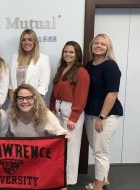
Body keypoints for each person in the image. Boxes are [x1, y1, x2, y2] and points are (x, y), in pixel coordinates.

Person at [84, 34, 123, 190]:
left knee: (100, 151)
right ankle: (103, 179)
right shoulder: (89, 65)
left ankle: (98, 186)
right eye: (96, 43)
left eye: (103, 44)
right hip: (90, 112)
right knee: (97, 149)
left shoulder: (110, 65)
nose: (99, 46)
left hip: (106, 114)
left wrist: (101, 117)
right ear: (92, 45)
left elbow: (113, 94)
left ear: (108, 47)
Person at [49, 41, 90, 187]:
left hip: (72, 111)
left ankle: (67, 181)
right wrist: (52, 108)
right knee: (60, 147)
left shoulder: (82, 72)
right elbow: (54, 92)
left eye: (71, 52)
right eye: (65, 51)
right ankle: (59, 177)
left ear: (77, 54)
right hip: (58, 110)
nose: (68, 54)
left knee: (71, 149)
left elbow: (81, 96)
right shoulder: (62, 69)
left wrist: (74, 117)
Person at [9, 29, 51, 99]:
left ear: (35, 42)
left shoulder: (43, 59)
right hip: (16, 102)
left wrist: (30, 102)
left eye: (30, 39)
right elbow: (10, 85)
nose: (26, 42)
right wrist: (14, 101)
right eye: (24, 40)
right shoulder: (14, 58)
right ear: (21, 43)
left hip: (34, 103)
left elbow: (43, 87)